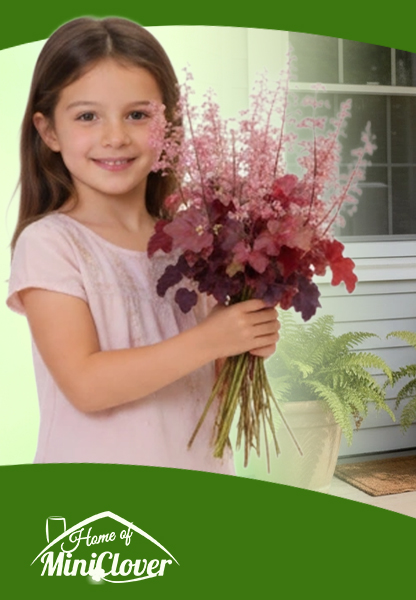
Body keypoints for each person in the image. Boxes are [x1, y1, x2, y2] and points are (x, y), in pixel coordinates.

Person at [5, 17, 280, 474]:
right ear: (48, 130)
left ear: (167, 124)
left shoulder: (194, 245)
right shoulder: (50, 243)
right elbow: (85, 384)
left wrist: (244, 340)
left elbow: (202, 377)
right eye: (87, 116)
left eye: (137, 114)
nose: (115, 136)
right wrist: (210, 338)